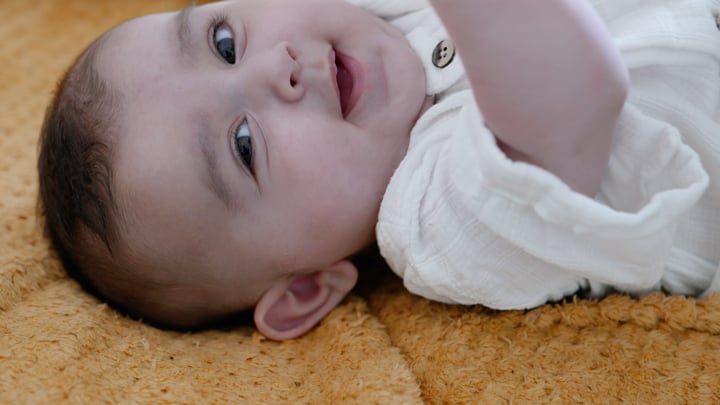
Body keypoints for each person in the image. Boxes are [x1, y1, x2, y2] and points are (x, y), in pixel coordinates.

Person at [37, 0, 720, 341]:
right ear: (305, 287)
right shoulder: (437, 225)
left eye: (224, 42)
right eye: (244, 146)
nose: (277, 67)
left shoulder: (364, 15)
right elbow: (576, 100)